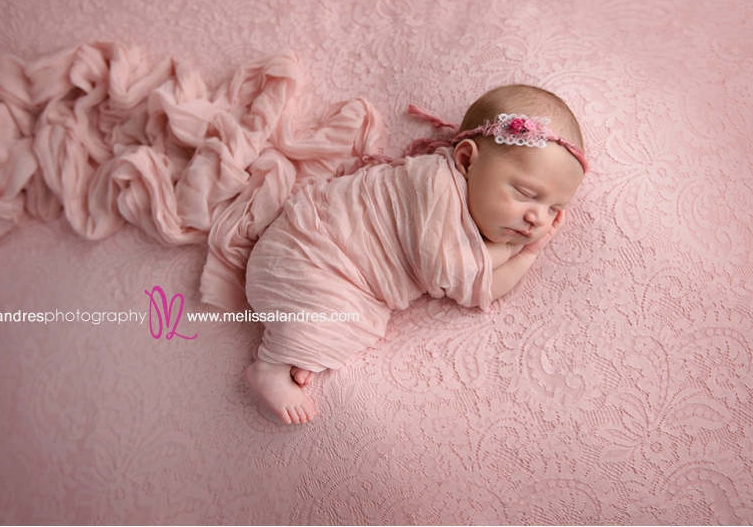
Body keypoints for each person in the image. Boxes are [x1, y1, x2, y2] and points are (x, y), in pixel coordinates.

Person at [244, 85, 587, 424]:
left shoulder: (461, 212)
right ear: (466, 160)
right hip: (309, 252)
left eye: (554, 208)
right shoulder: (434, 185)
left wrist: (527, 251)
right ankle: (272, 364)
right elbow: (459, 277)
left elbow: (476, 276)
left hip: (340, 273)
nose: (537, 218)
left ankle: (303, 345)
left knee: (352, 323)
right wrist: (518, 250)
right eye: (526, 193)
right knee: (332, 311)